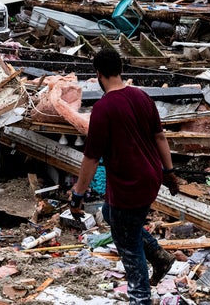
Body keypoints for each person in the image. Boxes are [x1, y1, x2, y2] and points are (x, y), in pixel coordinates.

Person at [70, 50, 181, 304]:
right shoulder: (142, 97)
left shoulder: (103, 108)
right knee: (111, 215)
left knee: (129, 247)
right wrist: (169, 172)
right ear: (120, 68)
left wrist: (78, 195)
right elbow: (160, 137)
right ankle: (158, 255)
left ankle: (140, 298)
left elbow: (90, 158)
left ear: (98, 74)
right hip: (150, 178)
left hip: (128, 185)